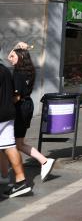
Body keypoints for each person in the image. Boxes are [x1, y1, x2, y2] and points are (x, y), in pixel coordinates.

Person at [6, 48, 56, 180]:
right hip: (27, 106)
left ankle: (14, 173)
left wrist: (5, 105)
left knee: (11, 143)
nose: (11, 58)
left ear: (20, 58)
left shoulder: (18, 73)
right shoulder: (29, 71)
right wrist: (17, 47)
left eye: (14, 56)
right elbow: (9, 56)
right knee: (18, 143)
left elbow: (16, 96)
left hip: (20, 108)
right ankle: (43, 161)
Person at [0, 50, 32, 197]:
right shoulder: (5, 70)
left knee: (9, 146)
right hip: (8, 113)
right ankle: (21, 181)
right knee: (9, 146)